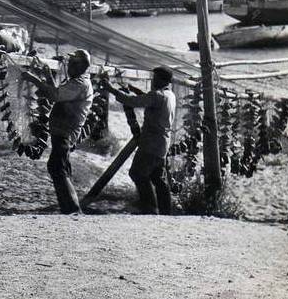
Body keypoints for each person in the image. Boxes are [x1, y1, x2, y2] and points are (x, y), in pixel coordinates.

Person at [20, 49, 94, 214]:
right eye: (69, 63)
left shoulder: (80, 84)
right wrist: (47, 74)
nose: (69, 66)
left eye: (73, 63)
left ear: (82, 66)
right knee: (61, 166)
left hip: (66, 131)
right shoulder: (76, 80)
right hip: (62, 130)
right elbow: (56, 91)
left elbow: (54, 95)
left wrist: (35, 79)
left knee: (56, 166)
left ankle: (73, 209)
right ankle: (69, 207)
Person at [104, 67, 176, 215]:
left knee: (137, 173)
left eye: (155, 78)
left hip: (151, 144)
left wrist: (111, 89)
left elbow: (133, 101)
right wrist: (135, 90)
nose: (153, 81)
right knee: (157, 178)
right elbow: (149, 99)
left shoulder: (157, 95)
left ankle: (150, 208)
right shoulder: (169, 95)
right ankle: (166, 210)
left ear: (162, 80)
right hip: (162, 145)